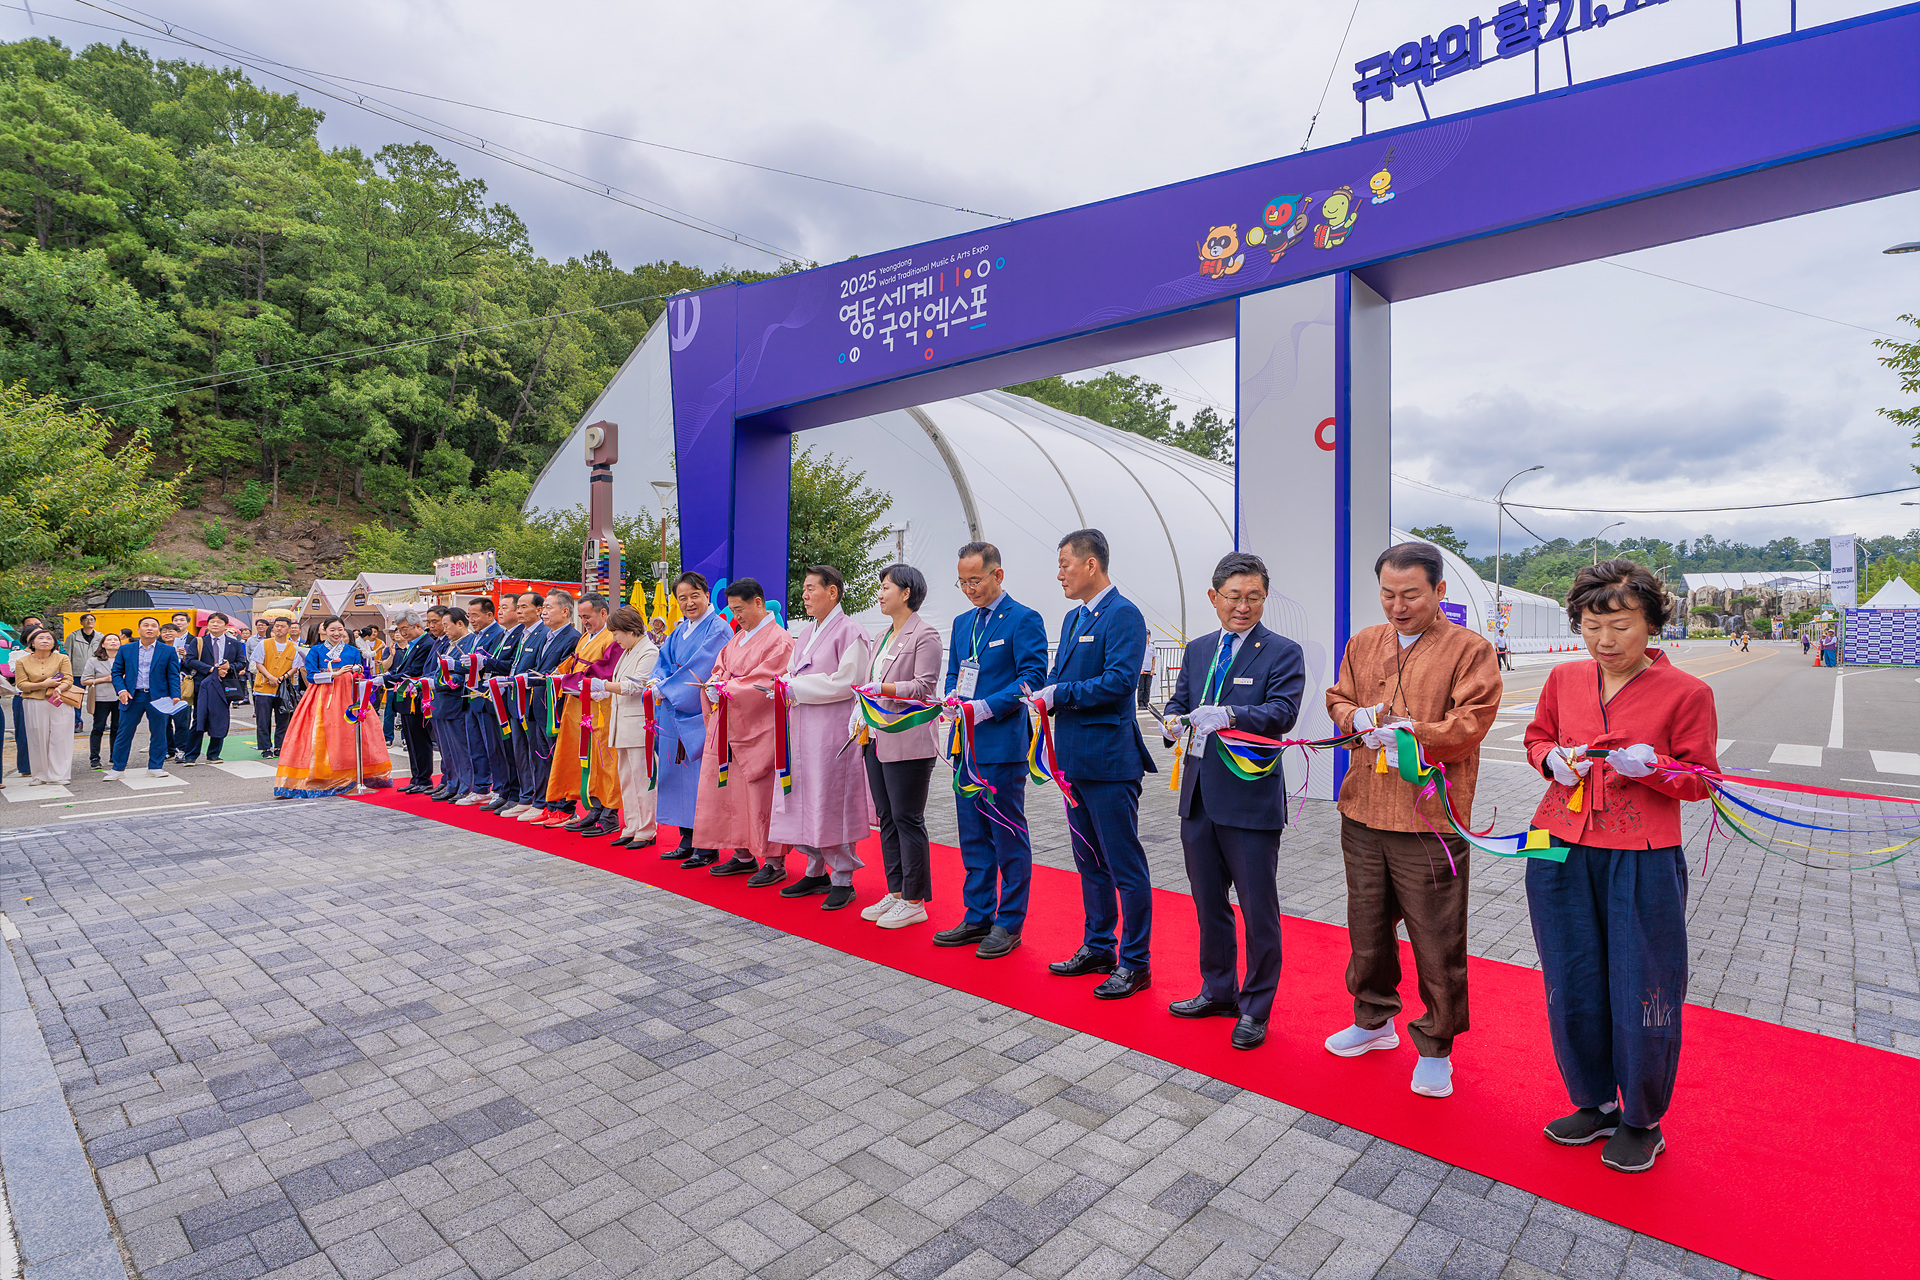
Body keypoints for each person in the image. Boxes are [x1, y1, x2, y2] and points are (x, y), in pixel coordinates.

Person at [1524, 560, 1718, 1174]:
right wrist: (1550, 760)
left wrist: (1655, 769)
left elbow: (1702, 779)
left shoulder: (1687, 692)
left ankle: (1642, 1118)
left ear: (1652, 623)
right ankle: (1595, 1102)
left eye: (1621, 626)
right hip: (1553, 842)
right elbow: (1536, 738)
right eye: (1591, 626)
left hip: (1641, 853)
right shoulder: (1564, 677)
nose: (1604, 641)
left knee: (1643, 982)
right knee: (1569, 975)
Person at [1324, 542, 1502, 1099]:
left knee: (1436, 937)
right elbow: (1337, 697)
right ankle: (1372, 1020)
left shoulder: (1470, 649)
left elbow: (1471, 722)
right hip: (1363, 808)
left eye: (1411, 595)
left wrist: (1411, 733)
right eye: (1387, 594)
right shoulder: (1363, 641)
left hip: (1429, 819)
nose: (1397, 607)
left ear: (1439, 591)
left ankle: (1436, 1046)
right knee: (1367, 928)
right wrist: (1353, 716)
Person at [1161, 552, 1305, 1050]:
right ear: (1213, 597)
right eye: (1234, 597)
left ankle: (1256, 1007)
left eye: (1254, 597)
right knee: (1208, 903)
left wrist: (1230, 715)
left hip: (1249, 799)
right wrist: (1172, 720)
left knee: (1258, 911)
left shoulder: (1282, 651)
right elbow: (1179, 701)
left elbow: (1282, 712)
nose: (1243, 607)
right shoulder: (1199, 649)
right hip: (1199, 797)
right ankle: (1218, 989)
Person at [1035, 529, 1159, 999]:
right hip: (1072, 762)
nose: (1059, 574)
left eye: (1065, 564)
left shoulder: (1123, 614)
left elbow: (1121, 681)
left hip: (1109, 761)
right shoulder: (1073, 618)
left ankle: (1136, 962)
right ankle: (1098, 946)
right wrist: (1042, 693)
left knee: (1124, 865)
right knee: (1088, 860)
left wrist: (1059, 694)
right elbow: (1059, 675)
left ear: (1091, 565)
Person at [731, 565, 872, 907]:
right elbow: (791, 673)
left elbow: (847, 682)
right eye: (804, 589)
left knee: (830, 799)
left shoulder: (851, 631)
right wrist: (784, 685)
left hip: (832, 730)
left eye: (811, 588)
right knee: (802, 797)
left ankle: (843, 877)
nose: (805, 595)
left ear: (833, 592)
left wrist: (795, 687)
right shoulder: (807, 633)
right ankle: (814, 869)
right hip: (801, 727)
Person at [934, 542, 1048, 959]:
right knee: (973, 834)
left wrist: (986, 706)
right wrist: (952, 697)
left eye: (975, 580)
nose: (969, 589)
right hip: (965, 746)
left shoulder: (1023, 619)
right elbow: (954, 671)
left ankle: (1009, 921)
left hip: (1001, 744)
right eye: (962, 582)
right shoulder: (963, 622)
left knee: (1007, 834)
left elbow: (1033, 676)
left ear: (997, 575)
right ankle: (978, 914)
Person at [856, 564, 943, 929]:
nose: (880, 593)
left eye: (886, 587)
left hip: (909, 740)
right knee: (887, 817)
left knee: (907, 818)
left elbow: (924, 687)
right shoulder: (881, 637)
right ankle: (896, 892)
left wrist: (884, 689)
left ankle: (914, 899)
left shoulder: (926, 635)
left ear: (906, 593)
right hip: (877, 738)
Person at [689, 579, 794, 873]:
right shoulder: (737, 638)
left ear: (758, 602)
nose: (736, 616)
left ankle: (774, 861)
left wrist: (728, 688)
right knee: (729, 791)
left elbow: (770, 680)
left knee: (761, 792)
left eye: (740, 609)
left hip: (760, 728)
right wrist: (714, 683)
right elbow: (720, 668)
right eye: (733, 610)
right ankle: (743, 854)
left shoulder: (780, 640)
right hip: (730, 722)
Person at [650, 574, 730, 859]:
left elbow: (703, 664)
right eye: (682, 598)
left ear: (707, 595)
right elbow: (663, 661)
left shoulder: (718, 628)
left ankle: (707, 845)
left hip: (700, 711)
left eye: (694, 595)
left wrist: (667, 687)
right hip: (674, 708)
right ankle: (687, 838)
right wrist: (657, 680)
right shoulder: (679, 630)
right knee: (676, 775)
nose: (689, 603)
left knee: (701, 778)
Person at [275, 617, 391, 797]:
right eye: (332, 630)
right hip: (323, 695)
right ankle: (324, 775)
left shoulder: (353, 650)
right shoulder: (316, 650)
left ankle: (353, 775)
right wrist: (334, 674)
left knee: (352, 733)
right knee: (323, 733)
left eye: (340, 630)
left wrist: (357, 671)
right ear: (324, 630)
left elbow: (361, 672)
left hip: (349, 695)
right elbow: (311, 676)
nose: (336, 633)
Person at [540, 593, 625, 834]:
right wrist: (558, 673)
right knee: (585, 758)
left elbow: (604, 671)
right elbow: (574, 661)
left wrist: (567, 680)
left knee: (605, 760)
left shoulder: (612, 637)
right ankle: (594, 808)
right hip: (578, 705)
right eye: (581, 617)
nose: (584, 622)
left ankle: (609, 813)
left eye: (587, 616)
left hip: (601, 708)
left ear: (603, 613)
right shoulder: (586, 637)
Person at [510, 593, 578, 822]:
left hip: (554, 708)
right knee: (542, 758)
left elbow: (560, 672)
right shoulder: (546, 635)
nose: (544, 612)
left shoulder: (572, 638)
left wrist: (533, 678)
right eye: (544, 607)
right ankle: (550, 803)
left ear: (565, 611)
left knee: (558, 758)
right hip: (537, 705)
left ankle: (565, 808)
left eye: (549, 607)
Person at [601, 605, 661, 848]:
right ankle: (632, 825)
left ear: (629, 629)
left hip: (638, 724)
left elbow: (637, 686)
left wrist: (603, 686)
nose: (614, 638)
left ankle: (647, 829)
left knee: (643, 779)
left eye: (616, 633)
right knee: (627, 778)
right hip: (622, 724)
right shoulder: (628, 651)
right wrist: (602, 690)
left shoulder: (649, 651)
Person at [107, 616, 181, 781]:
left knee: (159, 732)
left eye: (153, 626)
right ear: (138, 629)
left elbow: (173, 675)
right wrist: (121, 690)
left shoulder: (167, 650)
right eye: (146, 625)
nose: (149, 628)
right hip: (132, 696)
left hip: (159, 696)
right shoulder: (126, 649)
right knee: (124, 732)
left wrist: (175, 695)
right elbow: (116, 672)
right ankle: (118, 768)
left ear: (158, 631)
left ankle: (155, 767)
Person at [477, 595, 532, 813]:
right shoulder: (504, 634)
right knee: (500, 750)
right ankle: (506, 791)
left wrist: (488, 662)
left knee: (513, 749)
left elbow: (510, 665)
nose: (500, 612)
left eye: (505, 608)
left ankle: (517, 793)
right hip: (497, 696)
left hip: (513, 697)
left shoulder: (520, 634)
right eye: (499, 607)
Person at [459, 598, 510, 808]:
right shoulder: (475, 636)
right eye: (469, 615)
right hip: (473, 694)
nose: (471, 620)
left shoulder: (497, 634)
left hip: (488, 695)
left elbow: (494, 663)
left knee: (493, 747)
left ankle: (498, 788)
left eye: (475, 615)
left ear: (489, 615)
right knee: (476, 746)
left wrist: (480, 663)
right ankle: (480, 788)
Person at [181, 612, 247, 766]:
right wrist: (211, 669)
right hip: (203, 684)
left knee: (220, 719)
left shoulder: (234, 644)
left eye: (219, 622)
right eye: (212, 622)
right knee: (198, 719)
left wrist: (229, 667)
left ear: (226, 626)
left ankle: (213, 754)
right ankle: (191, 756)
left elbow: (241, 663)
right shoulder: (199, 641)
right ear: (207, 625)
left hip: (224, 686)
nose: (215, 624)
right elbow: (190, 660)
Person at [14, 627, 77, 784]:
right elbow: (21, 684)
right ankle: (40, 775)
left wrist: (59, 688)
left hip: (58, 700)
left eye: (49, 638)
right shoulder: (22, 661)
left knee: (60, 737)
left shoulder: (62, 658)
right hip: (33, 701)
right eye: (40, 638)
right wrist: (43, 684)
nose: (45, 641)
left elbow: (68, 679)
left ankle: (60, 775)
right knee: (37, 739)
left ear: (54, 643)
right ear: (32, 643)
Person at [387, 611, 436, 792]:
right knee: (411, 741)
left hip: (418, 698)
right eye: (399, 630)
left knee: (420, 740)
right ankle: (416, 777)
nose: (402, 633)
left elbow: (414, 671)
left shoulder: (426, 644)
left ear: (417, 625)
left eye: (404, 629)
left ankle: (423, 778)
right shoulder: (413, 645)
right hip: (407, 698)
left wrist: (387, 679)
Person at [431, 607, 476, 803]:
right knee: (447, 750)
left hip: (455, 701)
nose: (444, 629)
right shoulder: (447, 645)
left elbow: (463, 674)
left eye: (446, 625)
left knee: (460, 749)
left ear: (459, 624)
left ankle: (465, 786)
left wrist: (441, 682)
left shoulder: (469, 643)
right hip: (441, 702)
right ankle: (452, 783)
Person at [253, 617, 301, 759]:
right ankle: (265, 747)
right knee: (263, 720)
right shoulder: (264, 644)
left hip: (283, 688)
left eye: (282, 626)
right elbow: (258, 663)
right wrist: (270, 676)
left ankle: (280, 746)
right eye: (277, 626)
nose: (279, 628)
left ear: (288, 629)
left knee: (283, 719)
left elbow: (295, 667)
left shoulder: (294, 647)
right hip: (263, 688)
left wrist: (282, 678)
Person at [82, 633, 122, 769]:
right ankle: (94, 757)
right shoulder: (93, 661)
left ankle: (115, 756)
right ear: (103, 644)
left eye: (116, 639)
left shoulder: (125, 659)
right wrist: (104, 679)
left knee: (117, 727)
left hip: (120, 697)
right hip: (101, 698)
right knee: (98, 728)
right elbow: (84, 680)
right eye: (109, 640)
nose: (113, 642)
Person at [65, 612, 99, 729]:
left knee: (98, 698)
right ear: (81, 622)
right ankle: (77, 722)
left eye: (92, 619)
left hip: (96, 673)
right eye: (86, 619)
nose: (89, 621)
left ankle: (100, 721)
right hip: (77, 671)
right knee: (76, 698)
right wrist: (67, 671)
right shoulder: (73, 636)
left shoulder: (100, 637)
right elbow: (67, 654)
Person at [1137, 642, 1156, 710]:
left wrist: (1152, 669)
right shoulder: (1140, 645)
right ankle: (1140, 703)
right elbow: (1137, 658)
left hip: (1149, 670)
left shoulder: (1152, 647)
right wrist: (1140, 668)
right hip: (1142, 670)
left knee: (1147, 688)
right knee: (1141, 687)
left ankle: (1146, 702)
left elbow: (1153, 658)